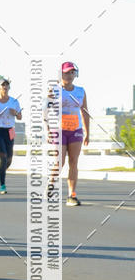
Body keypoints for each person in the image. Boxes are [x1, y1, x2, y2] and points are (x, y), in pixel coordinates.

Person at [49, 61, 89, 206]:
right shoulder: (54, 90)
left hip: (76, 130)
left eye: (72, 72)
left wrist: (87, 132)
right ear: (61, 74)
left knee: (74, 161)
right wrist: (47, 130)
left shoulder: (80, 91)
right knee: (60, 162)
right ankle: (51, 182)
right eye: (67, 72)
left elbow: (84, 112)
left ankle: (72, 195)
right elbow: (45, 113)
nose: (70, 75)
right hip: (58, 129)